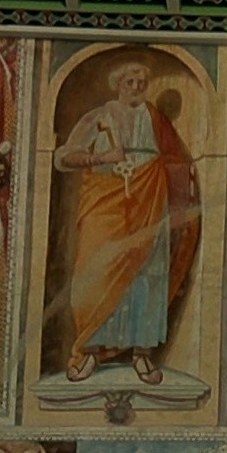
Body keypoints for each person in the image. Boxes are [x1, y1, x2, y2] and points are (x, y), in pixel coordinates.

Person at [48, 55, 199, 385]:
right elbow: (64, 157)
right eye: (130, 82)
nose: (136, 88)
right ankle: (89, 350)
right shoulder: (100, 117)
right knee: (96, 270)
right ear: (118, 85)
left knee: (147, 273)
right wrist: (101, 157)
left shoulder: (156, 120)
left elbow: (179, 162)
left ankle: (142, 354)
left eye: (142, 84)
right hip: (107, 198)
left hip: (149, 198)